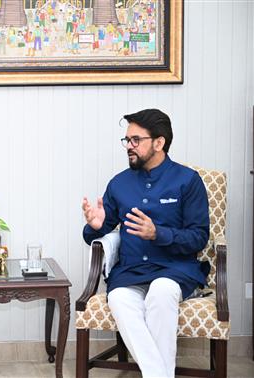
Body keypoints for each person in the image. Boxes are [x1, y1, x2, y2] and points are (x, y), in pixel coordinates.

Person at [81, 109, 210, 378]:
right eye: (127, 140)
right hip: (130, 273)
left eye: (136, 140)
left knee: (161, 292)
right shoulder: (119, 184)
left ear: (159, 143)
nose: (129, 146)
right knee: (117, 296)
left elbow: (199, 237)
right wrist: (94, 227)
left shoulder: (188, 181)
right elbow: (100, 231)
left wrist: (158, 233)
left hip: (174, 270)